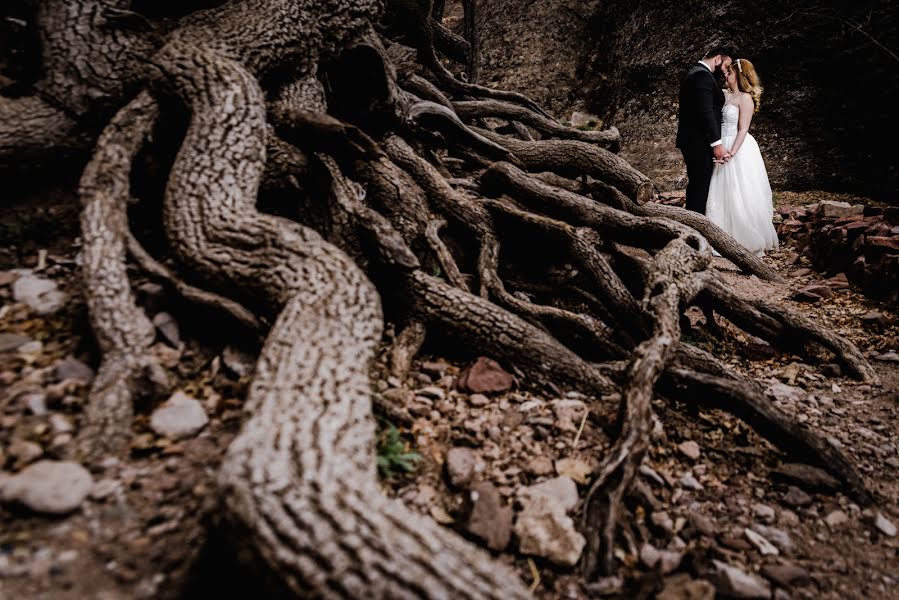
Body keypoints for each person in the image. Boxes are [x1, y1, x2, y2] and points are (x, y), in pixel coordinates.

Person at [705, 58, 779, 255]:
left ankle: (742, 236)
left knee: (739, 189)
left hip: (738, 146)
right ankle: (720, 234)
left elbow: (743, 129)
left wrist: (732, 152)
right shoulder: (726, 95)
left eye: (729, 72)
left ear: (738, 74)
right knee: (722, 189)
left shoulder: (745, 98)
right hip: (722, 142)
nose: (725, 75)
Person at [676, 45, 736, 214]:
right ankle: (695, 224)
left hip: (695, 140)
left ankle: (696, 221)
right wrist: (717, 144)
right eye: (725, 66)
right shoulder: (702, 75)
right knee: (699, 185)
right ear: (718, 59)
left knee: (700, 183)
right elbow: (706, 112)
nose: (725, 72)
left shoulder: (698, 74)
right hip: (697, 141)